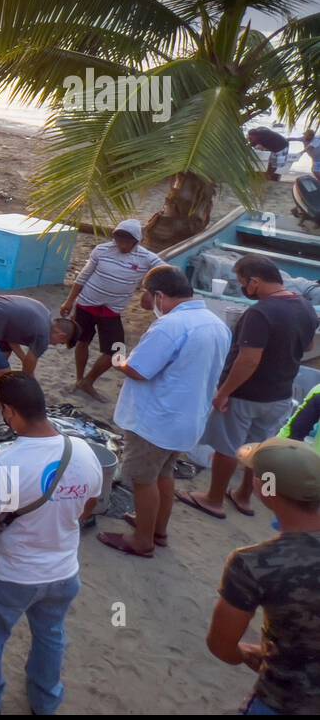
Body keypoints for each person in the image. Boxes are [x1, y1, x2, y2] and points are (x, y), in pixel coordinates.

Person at [0, 373, 102, 715]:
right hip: (63, 572)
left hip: (8, 574)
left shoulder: (7, 462)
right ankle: (45, 699)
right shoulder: (82, 450)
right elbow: (90, 506)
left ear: (9, 412)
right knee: (51, 635)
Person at [101, 265, 231, 556]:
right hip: (187, 418)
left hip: (156, 421)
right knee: (164, 473)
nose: (147, 303)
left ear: (159, 295)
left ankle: (142, 541)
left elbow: (138, 369)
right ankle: (157, 529)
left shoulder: (171, 325)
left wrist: (119, 361)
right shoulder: (215, 322)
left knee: (142, 479)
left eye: (147, 296)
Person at [179, 255, 318, 519]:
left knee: (227, 447)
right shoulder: (305, 307)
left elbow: (248, 360)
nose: (243, 287)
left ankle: (214, 499)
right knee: (259, 449)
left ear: (254, 282)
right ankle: (244, 496)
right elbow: (308, 346)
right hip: (280, 394)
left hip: (246, 394)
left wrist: (223, 392)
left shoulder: (260, 312)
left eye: (243, 282)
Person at [206, 438, 320, 715]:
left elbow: (221, 645)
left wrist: (247, 654)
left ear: (264, 488)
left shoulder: (254, 563)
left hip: (285, 701)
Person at [59, 219, 163, 402]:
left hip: (112, 309)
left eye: (126, 241)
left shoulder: (145, 257)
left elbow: (165, 269)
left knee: (116, 351)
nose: (121, 244)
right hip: (87, 303)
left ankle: (89, 381)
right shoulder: (102, 250)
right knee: (82, 341)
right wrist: (69, 301)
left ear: (136, 241)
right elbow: (83, 276)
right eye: (118, 239)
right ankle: (79, 378)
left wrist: (150, 290)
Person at [0, 295, 79, 422]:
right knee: (2, 369)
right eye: (61, 342)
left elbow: (11, 338)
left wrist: (24, 359)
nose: (56, 344)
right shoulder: (43, 335)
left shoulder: (45, 315)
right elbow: (28, 372)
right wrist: (32, 392)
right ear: (62, 335)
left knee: (4, 355)